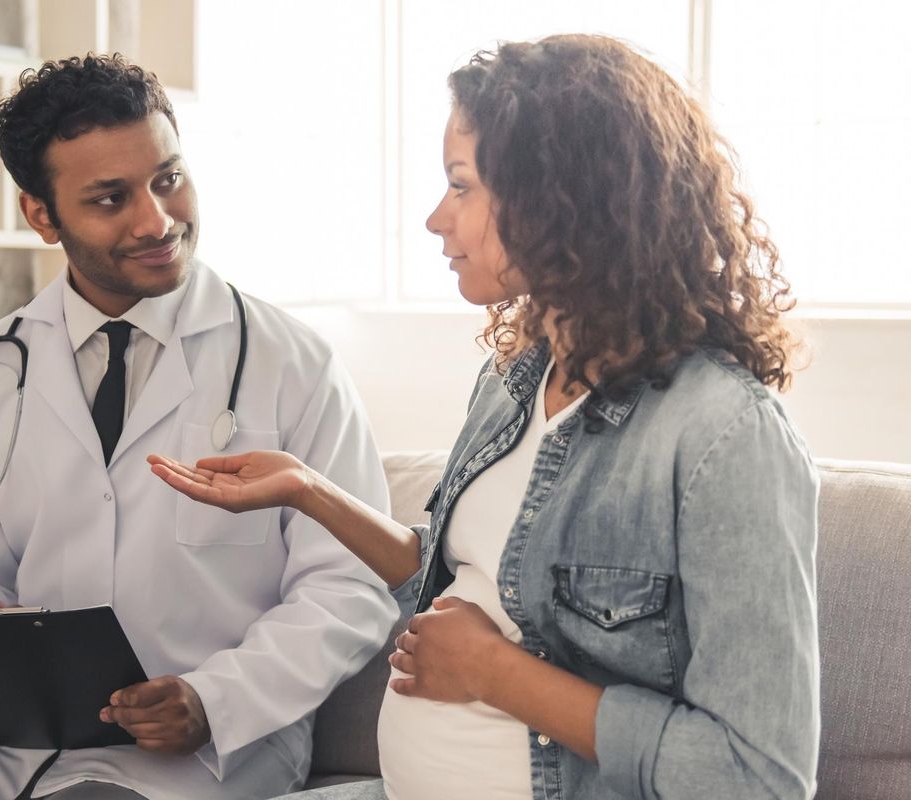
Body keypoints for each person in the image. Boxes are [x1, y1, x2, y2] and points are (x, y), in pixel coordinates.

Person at [150, 34, 820, 800]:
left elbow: (758, 778)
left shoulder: (723, 436)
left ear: (562, 201)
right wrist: (307, 489)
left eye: (461, 187)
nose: (437, 218)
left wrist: (494, 674)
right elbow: (463, 581)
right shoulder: (515, 377)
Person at [0, 54, 397, 800]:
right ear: (42, 214)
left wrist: (215, 699)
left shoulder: (292, 364)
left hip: (209, 741)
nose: (156, 220)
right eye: (111, 199)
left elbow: (350, 586)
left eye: (167, 178)